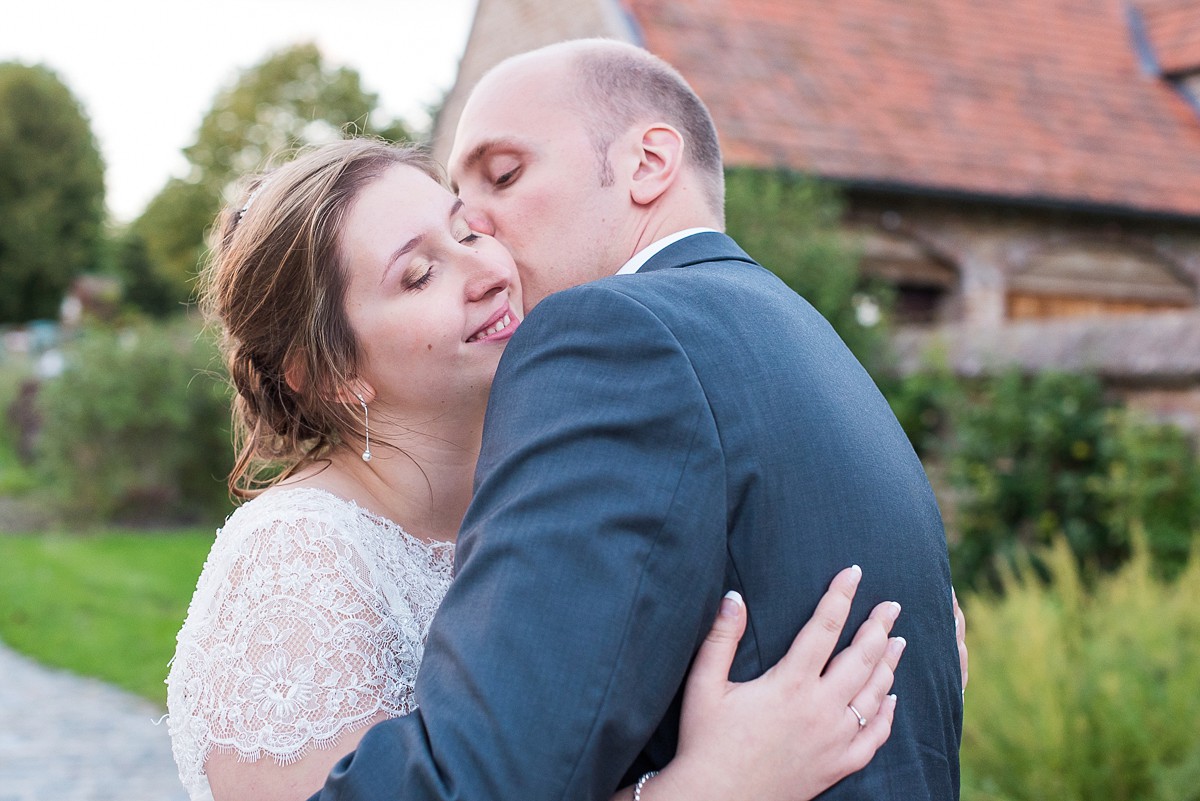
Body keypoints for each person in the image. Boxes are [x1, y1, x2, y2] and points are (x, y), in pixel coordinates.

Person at [312, 39, 963, 801]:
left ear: (649, 163)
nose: (475, 226)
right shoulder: (807, 341)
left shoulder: (615, 336)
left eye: (505, 175)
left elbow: (479, 780)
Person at [165, 138, 911, 801]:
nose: (487, 270)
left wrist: (881, 667)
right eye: (419, 274)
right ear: (326, 374)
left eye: (469, 232)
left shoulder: (551, 494)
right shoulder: (294, 566)